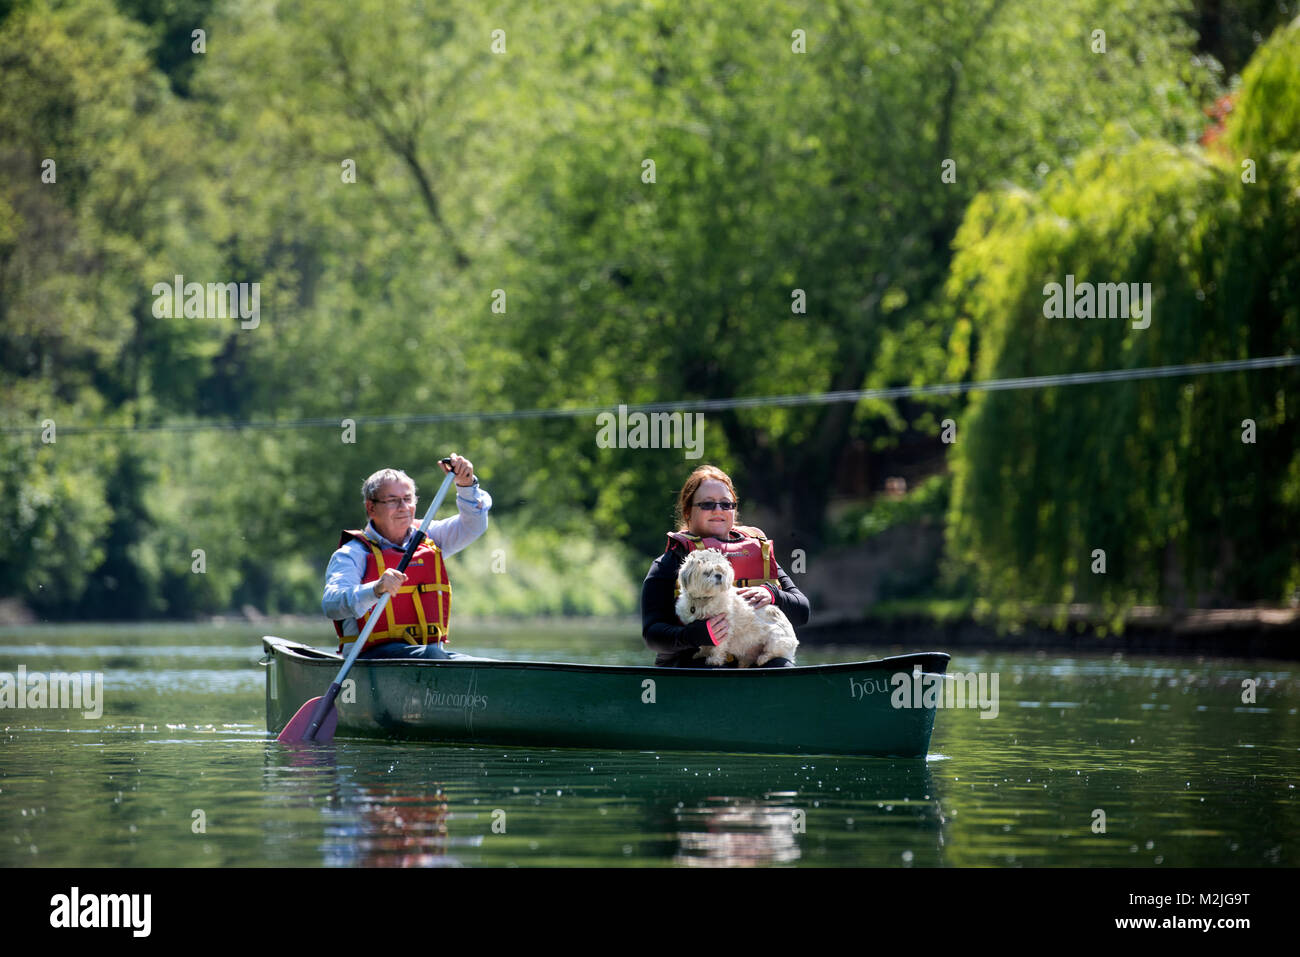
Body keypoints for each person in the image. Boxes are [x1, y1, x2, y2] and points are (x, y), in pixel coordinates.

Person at [322, 454, 491, 660]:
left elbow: (473, 525)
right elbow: (332, 604)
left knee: (495, 668)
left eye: (408, 498)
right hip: (370, 659)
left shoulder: (429, 537)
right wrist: (376, 589)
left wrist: (466, 486)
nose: (403, 507)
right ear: (371, 507)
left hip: (427, 656)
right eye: (393, 500)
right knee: (431, 656)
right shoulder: (352, 554)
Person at [641, 465, 810, 667]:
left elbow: (803, 612)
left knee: (781, 666)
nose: (718, 510)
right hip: (694, 666)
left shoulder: (757, 553)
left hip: (756, 662)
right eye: (707, 504)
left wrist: (774, 595)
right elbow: (652, 635)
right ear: (688, 512)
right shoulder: (670, 563)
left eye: (726, 504)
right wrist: (693, 635)